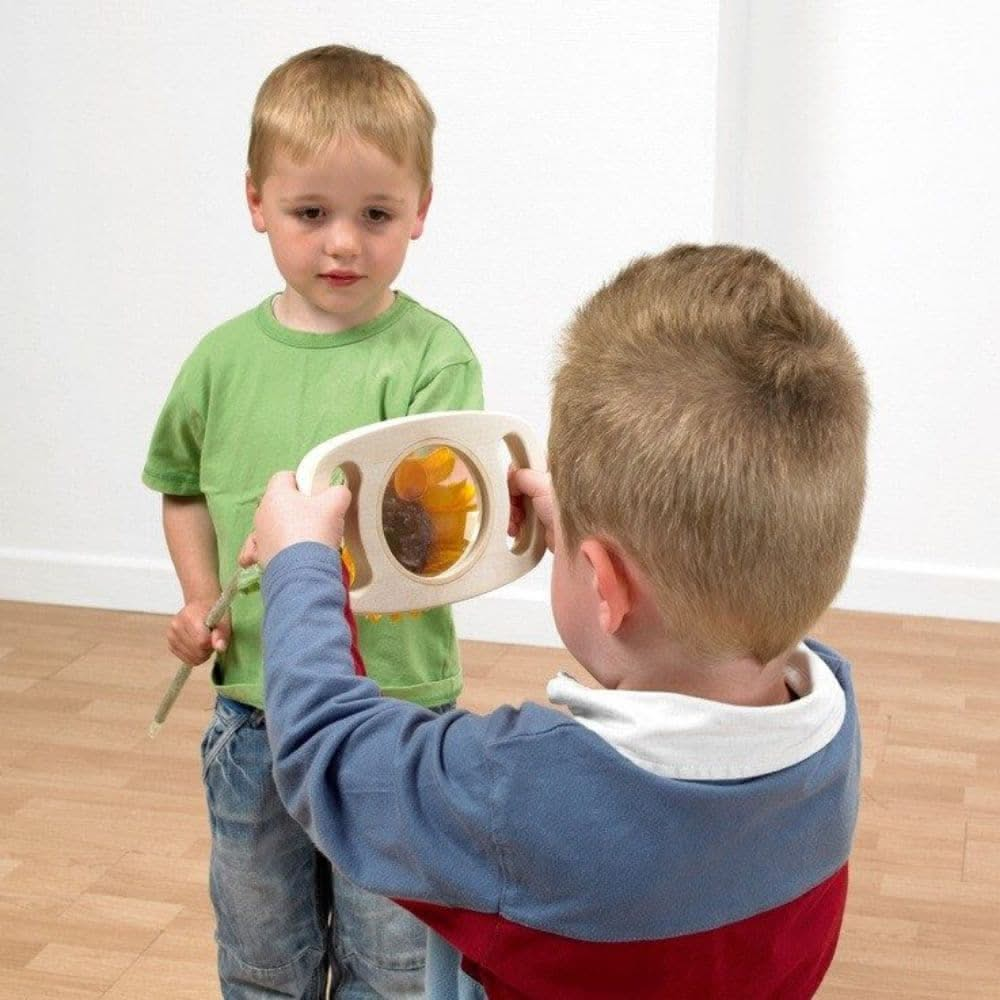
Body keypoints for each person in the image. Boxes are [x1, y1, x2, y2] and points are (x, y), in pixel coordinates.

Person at [243, 244, 868, 999]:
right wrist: (590, 528)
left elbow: (327, 755)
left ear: (605, 585)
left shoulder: (521, 794)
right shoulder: (832, 720)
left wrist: (300, 564)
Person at [142, 44, 483, 999]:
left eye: (376, 216)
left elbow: (442, 531)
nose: (343, 244)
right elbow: (177, 483)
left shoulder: (433, 358)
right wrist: (202, 592)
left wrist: (308, 550)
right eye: (310, 214)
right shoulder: (219, 362)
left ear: (421, 209)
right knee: (263, 957)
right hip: (254, 709)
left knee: (394, 962)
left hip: (394, 715)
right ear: (257, 202)